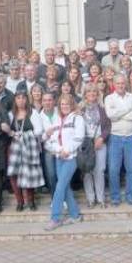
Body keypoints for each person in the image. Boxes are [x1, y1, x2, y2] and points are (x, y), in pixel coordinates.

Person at [44, 94, 85, 231]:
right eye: (62, 104)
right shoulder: (57, 119)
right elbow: (48, 140)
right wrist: (59, 150)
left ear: (72, 104)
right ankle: (75, 215)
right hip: (59, 158)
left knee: (60, 187)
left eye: (67, 104)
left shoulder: (77, 118)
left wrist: (67, 150)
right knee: (65, 187)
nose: (64, 106)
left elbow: (79, 138)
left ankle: (55, 218)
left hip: (70, 158)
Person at [104, 74, 132, 206]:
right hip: (115, 138)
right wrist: (127, 110)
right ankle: (115, 197)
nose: (120, 85)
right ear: (114, 84)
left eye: (122, 83)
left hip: (131, 137)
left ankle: (130, 196)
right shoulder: (109, 98)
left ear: (126, 84)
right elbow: (110, 115)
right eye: (118, 83)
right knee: (113, 170)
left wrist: (119, 114)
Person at [7, 90, 45, 211]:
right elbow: (7, 130)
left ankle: (31, 200)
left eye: (23, 98)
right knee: (14, 174)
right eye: (18, 98)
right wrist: (12, 133)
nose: (21, 100)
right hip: (14, 147)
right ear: (15, 100)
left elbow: (39, 130)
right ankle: (19, 201)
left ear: (27, 100)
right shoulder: (10, 114)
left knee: (29, 173)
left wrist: (25, 135)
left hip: (29, 146)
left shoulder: (33, 113)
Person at [81, 84, 111, 208]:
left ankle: (100, 198)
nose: (92, 93)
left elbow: (108, 126)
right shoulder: (80, 108)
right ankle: (90, 198)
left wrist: (102, 138)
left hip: (99, 142)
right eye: (89, 91)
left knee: (99, 170)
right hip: (85, 143)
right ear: (85, 94)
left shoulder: (103, 108)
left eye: (94, 91)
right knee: (87, 171)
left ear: (98, 94)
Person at [40, 92, 60, 199]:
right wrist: (46, 134)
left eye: (50, 100)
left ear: (54, 101)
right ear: (42, 102)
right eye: (45, 100)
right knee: (51, 175)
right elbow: (39, 138)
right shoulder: (39, 116)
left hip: (61, 149)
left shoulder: (60, 112)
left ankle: (64, 198)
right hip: (49, 150)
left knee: (62, 176)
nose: (47, 102)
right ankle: (54, 198)